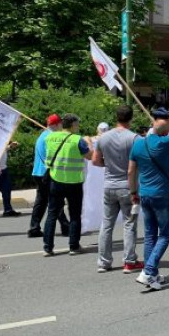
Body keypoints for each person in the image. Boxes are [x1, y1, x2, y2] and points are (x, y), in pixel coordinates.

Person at [129, 108, 169, 290]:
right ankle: (148, 271)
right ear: (166, 128)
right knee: (165, 234)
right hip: (162, 194)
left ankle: (153, 274)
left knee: (150, 235)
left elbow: (131, 171)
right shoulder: (164, 142)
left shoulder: (138, 143)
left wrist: (133, 192)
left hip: (144, 193)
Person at [92, 104, 143, 274]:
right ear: (131, 118)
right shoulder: (135, 138)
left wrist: (110, 165)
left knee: (106, 223)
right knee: (129, 224)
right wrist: (135, 191)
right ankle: (129, 261)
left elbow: (95, 161)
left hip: (109, 184)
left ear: (116, 117)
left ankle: (103, 262)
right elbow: (137, 166)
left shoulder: (103, 138)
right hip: (127, 186)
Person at [43, 114, 94, 256]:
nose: (78, 127)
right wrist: (89, 143)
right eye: (77, 124)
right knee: (75, 214)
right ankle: (74, 246)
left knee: (52, 214)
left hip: (56, 179)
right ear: (72, 125)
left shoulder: (50, 137)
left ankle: (47, 247)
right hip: (74, 182)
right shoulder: (78, 140)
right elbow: (90, 156)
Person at [28, 114, 69, 237]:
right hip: (47, 173)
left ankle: (34, 228)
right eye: (61, 123)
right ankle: (66, 226)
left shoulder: (43, 135)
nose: (62, 125)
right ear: (56, 124)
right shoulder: (50, 137)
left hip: (38, 172)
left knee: (42, 201)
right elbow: (52, 157)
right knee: (55, 200)